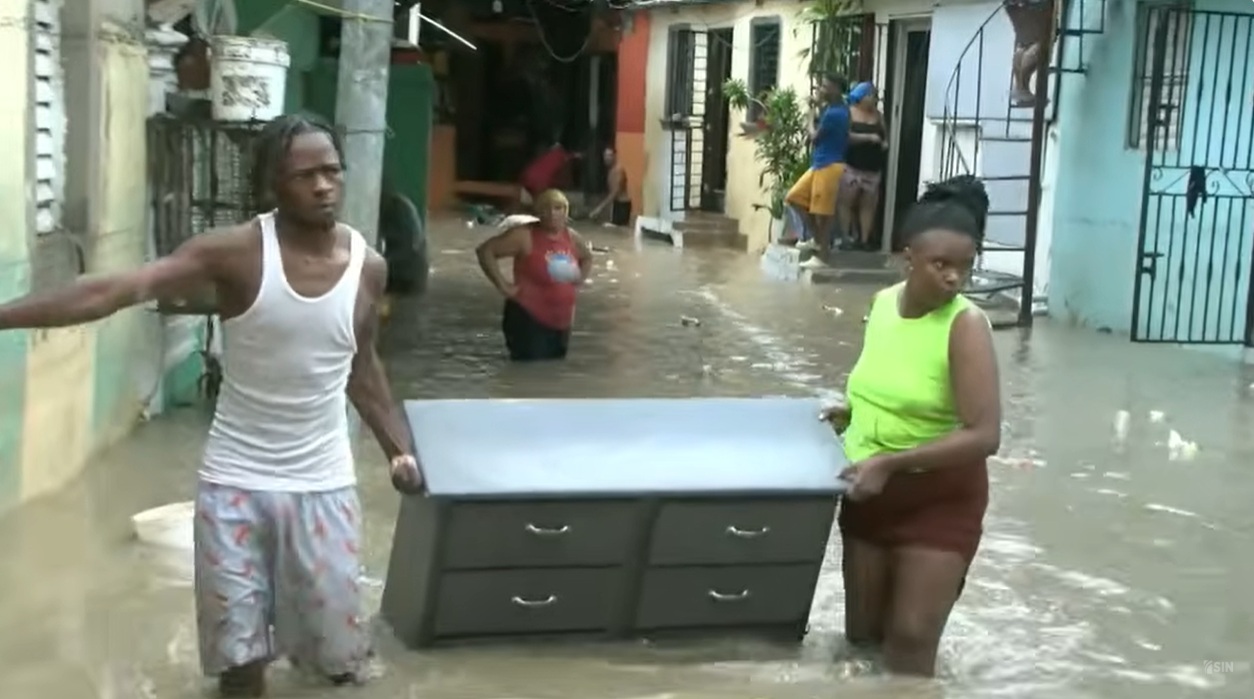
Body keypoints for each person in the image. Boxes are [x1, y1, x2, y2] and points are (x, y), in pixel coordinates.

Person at [0, 114, 425, 697]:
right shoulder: (235, 253)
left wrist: (399, 451)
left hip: (324, 486)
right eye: (306, 176)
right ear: (273, 186)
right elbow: (111, 291)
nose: (324, 186)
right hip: (235, 487)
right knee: (240, 665)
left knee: (336, 661)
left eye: (331, 171)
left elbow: (362, 366)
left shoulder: (367, 268)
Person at [820, 175, 1001, 677]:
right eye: (940, 265)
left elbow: (986, 435)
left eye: (965, 267)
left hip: (939, 501)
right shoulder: (881, 306)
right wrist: (852, 414)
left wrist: (892, 462)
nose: (954, 279)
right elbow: (884, 385)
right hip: (871, 497)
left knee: (910, 643)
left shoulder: (966, 326)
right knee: (862, 641)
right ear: (908, 258)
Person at [476, 189, 593, 361]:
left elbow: (587, 258)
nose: (552, 213)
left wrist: (577, 281)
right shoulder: (524, 236)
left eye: (558, 208)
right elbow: (485, 251)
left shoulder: (572, 238)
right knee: (528, 375)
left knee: (552, 376)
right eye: (546, 208)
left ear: (566, 211)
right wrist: (503, 286)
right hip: (529, 319)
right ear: (538, 212)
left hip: (562, 323)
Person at [786, 73, 849, 268]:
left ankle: (822, 256)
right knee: (794, 197)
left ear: (837, 89)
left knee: (824, 214)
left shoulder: (835, 113)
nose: (820, 90)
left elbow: (814, 137)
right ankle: (816, 239)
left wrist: (809, 120)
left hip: (829, 166)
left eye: (825, 86)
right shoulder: (834, 109)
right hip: (820, 164)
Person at [837, 82, 889, 252]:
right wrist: (868, 138)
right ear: (861, 96)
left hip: (872, 168)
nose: (875, 99)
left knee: (868, 205)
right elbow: (843, 136)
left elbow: (884, 135)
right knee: (846, 202)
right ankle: (846, 237)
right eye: (871, 95)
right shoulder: (849, 113)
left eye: (875, 95)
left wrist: (884, 143)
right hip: (851, 165)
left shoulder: (878, 116)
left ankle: (864, 239)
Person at [1005, 0, 1056, 107]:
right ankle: (1021, 89)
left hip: (1037, 39)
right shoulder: (1013, 8)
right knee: (1020, 55)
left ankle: (1023, 90)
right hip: (1029, 39)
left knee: (1029, 54)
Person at [517, 143, 576, 212]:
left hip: (528, 177)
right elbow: (565, 179)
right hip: (538, 181)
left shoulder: (554, 152)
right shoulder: (564, 157)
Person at [587, 145, 632, 227]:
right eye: (605, 155)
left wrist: (599, 209)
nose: (607, 158)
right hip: (617, 204)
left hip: (622, 205)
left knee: (618, 230)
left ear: (615, 156)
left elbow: (615, 192)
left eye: (609, 155)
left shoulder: (618, 170)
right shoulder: (611, 170)